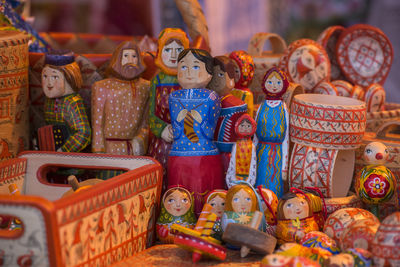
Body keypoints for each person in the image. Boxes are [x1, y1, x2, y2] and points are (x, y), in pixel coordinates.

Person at [168, 48, 224, 215]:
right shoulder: (174, 97)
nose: (189, 72)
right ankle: (180, 220)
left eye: (195, 67)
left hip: (204, 154)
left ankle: (206, 221)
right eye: (183, 67)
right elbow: (177, 133)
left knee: (203, 198)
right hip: (179, 154)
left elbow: (208, 132)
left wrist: (199, 119)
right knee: (179, 193)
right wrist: (179, 119)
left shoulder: (211, 97)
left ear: (209, 74)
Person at [92, 41, 149, 155]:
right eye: (126, 56)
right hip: (108, 149)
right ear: (118, 59)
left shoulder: (146, 87)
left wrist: (139, 141)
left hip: (133, 149)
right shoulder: (102, 87)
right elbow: (98, 123)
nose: (130, 60)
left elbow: (147, 121)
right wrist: (98, 152)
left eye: (134, 56)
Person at [148, 28, 189, 188]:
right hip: (162, 143)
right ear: (159, 52)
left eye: (179, 50)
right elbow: (150, 115)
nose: (173, 55)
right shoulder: (156, 80)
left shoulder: (189, 79)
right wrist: (162, 130)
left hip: (186, 141)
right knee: (161, 178)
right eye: (168, 50)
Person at [41, 50, 91, 152]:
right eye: (45, 76)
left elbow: (84, 133)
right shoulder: (49, 101)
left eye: (55, 77)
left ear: (69, 78)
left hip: (71, 159)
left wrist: (64, 150)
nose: (49, 83)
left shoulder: (72, 103)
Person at [207, 56, 247, 173]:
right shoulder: (207, 100)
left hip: (228, 154)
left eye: (220, 75)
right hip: (210, 151)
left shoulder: (236, 104)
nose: (215, 79)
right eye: (213, 74)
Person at [254, 67, 290, 198]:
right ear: (264, 84)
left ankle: (274, 208)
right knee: (260, 179)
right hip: (261, 152)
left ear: (284, 85)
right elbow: (255, 137)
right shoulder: (261, 106)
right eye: (270, 82)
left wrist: (284, 167)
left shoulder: (283, 108)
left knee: (274, 182)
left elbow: (286, 139)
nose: (274, 86)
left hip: (277, 154)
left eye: (278, 82)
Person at [229, 50, 255, 116]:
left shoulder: (246, 95)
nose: (232, 73)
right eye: (230, 69)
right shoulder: (228, 88)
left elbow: (248, 114)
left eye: (236, 71)